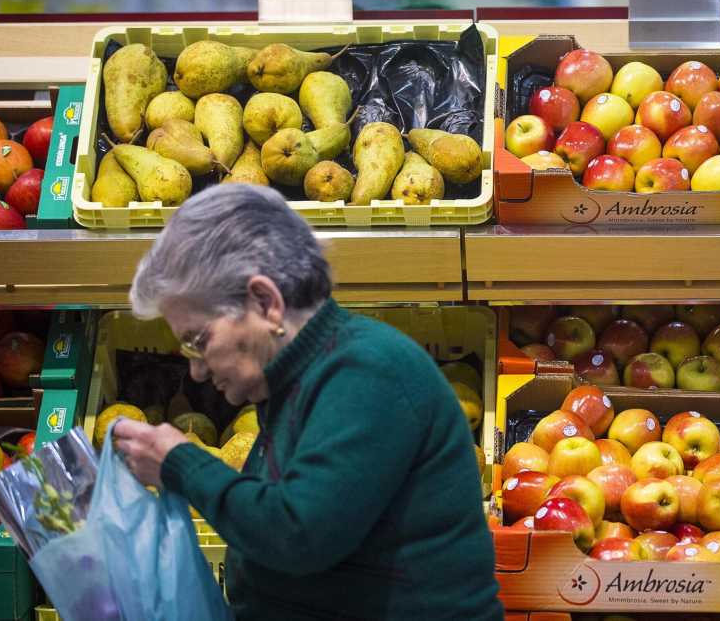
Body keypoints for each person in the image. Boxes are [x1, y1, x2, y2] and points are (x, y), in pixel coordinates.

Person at [112, 184, 502, 620]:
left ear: (265, 302)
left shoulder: (366, 373)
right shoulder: (295, 384)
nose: (197, 370)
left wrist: (182, 463)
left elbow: (299, 535)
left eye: (198, 340)